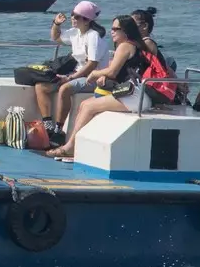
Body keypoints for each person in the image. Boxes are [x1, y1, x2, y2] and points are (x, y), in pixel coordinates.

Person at [47, 15, 151, 160]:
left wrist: (96, 73)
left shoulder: (125, 46)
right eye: (112, 28)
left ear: (126, 31)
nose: (112, 32)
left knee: (89, 107)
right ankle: (76, 144)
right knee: (84, 105)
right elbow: (118, 72)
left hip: (134, 96)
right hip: (132, 93)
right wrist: (104, 75)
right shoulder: (132, 45)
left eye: (116, 29)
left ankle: (69, 147)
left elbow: (112, 71)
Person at [17, 0, 109, 137]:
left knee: (64, 88)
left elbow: (92, 65)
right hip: (77, 73)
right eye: (73, 15)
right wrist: (56, 24)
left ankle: (58, 130)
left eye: (77, 16)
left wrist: (70, 78)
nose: (73, 18)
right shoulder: (75, 32)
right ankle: (48, 124)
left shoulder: (93, 36)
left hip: (94, 77)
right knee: (41, 86)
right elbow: (56, 37)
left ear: (87, 20)